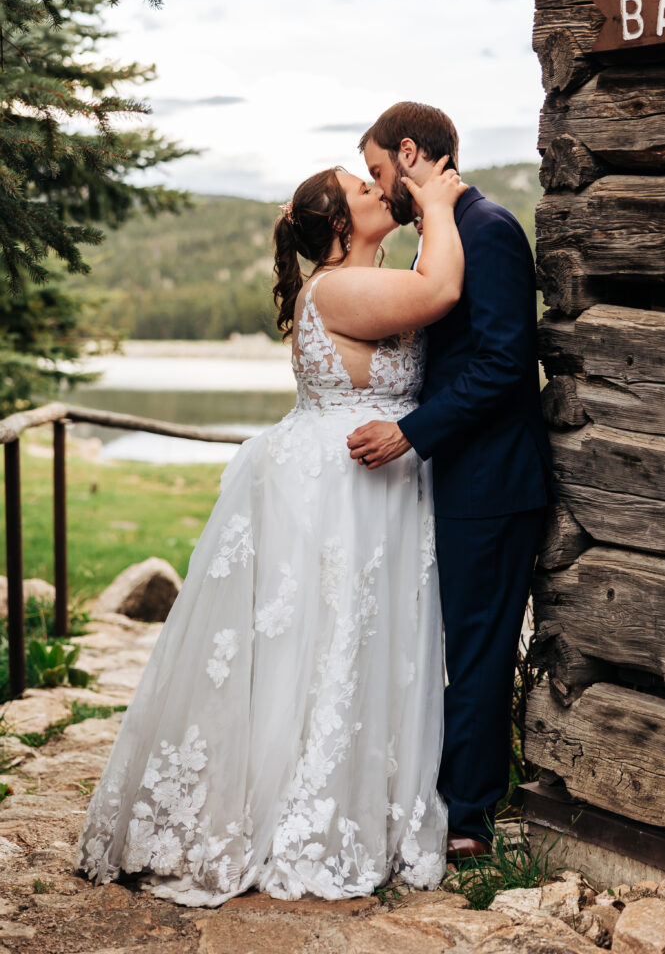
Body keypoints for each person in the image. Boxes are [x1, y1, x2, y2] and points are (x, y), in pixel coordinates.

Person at [73, 158, 468, 906]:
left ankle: (337, 791)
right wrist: (441, 202)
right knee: (328, 641)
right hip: (343, 487)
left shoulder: (346, 280)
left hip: (358, 480)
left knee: (334, 643)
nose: (378, 190)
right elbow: (439, 290)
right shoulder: (341, 283)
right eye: (362, 188)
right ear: (343, 226)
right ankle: (303, 809)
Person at [348, 101, 557, 861]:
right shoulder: (444, 235)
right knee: (446, 639)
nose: (381, 187)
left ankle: (467, 816)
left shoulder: (489, 229)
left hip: (492, 483)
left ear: (410, 153)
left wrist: (410, 431)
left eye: (378, 171)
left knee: (476, 646)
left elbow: (505, 364)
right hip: (456, 477)